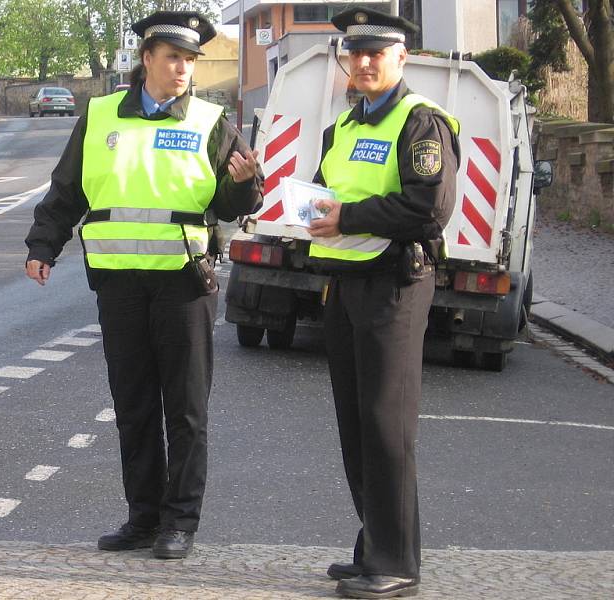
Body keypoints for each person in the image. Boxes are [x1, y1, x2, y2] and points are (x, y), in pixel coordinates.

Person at [24, 11, 262, 560]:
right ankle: (142, 518)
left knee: (185, 409)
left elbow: (231, 204)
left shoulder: (210, 120)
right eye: (173, 57)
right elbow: (68, 190)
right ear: (146, 60)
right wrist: (43, 246)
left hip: (184, 284)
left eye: (190, 60)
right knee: (133, 406)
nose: (183, 68)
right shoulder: (101, 114)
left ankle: (180, 522)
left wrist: (245, 187)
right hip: (120, 287)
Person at [307, 8, 460, 599]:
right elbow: (329, 191)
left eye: (378, 52)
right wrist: (309, 210)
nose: (365, 62)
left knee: (385, 422)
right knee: (355, 421)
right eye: (356, 52)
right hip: (343, 282)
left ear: (402, 58)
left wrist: (346, 216)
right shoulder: (343, 127)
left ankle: (395, 564)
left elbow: (428, 208)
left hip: (394, 285)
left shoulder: (421, 123)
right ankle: (373, 546)